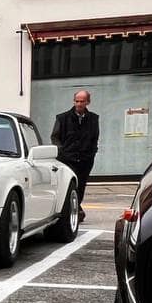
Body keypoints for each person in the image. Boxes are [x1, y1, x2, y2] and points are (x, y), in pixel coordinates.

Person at [50, 89, 99, 218]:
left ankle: (77, 208)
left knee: (81, 184)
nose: (79, 104)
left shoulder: (93, 118)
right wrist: (61, 151)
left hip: (85, 159)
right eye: (77, 101)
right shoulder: (62, 118)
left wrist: (92, 152)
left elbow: (95, 137)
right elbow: (55, 137)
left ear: (87, 102)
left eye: (82, 101)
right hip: (67, 158)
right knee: (70, 184)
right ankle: (73, 210)